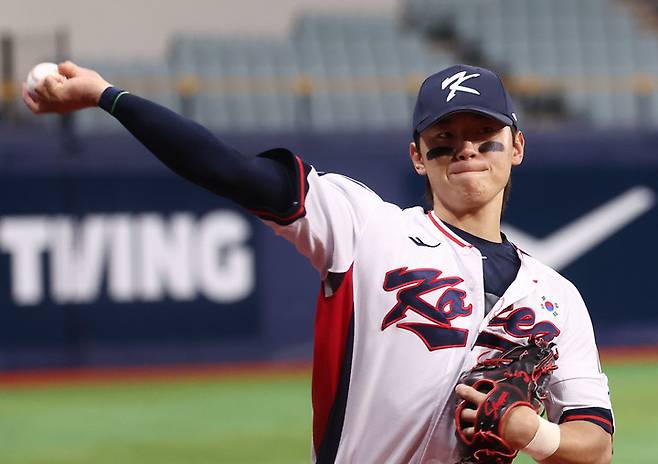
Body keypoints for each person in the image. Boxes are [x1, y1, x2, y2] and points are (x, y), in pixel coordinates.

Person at [24, 61, 613, 464]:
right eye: (444, 135)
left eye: (484, 134)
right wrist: (108, 96)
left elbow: (596, 442)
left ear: (517, 146)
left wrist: (534, 432)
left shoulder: (555, 296)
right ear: (416, 156)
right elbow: (226, 169)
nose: (464, 147)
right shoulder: (364, 225)